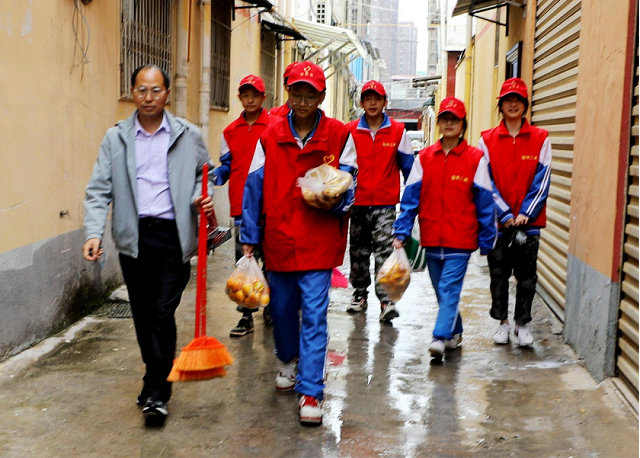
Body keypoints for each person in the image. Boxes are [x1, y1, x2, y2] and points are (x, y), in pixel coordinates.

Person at [82, 65, 213, 424]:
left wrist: (201, 198)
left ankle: (157, 393)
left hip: (174, 237)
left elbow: (207, 176)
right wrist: (94, 233)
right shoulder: (116, 138)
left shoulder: (190, 135)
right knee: (143, 316)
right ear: (132, 92)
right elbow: (98, 189)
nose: (149, 97)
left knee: (160, 313)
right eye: (142, 90)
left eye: (156, 90)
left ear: (167, 94)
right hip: (134, 237)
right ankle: (153, 376)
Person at [240, 61, 357, 425]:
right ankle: (288, 360)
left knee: (316, 316)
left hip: (319, 241)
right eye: (297, 93)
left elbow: (351, 182)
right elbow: (254, 186)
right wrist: (248, 237)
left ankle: (311, 391)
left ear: (322, 97)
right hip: (278, 238)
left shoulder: (338, 135)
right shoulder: (269, 135)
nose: (303, 101)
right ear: (287, 94)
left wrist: (334, 200)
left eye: (311, 95)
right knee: (283, 310)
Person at [392, 97, 496, 357]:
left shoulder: (475, 159)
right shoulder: (425, 158)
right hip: (431, 237)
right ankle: (456, 330)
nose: (449, 123)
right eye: (445, 118)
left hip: (461, 239)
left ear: (463, 124)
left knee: (449, 288)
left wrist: (487, 239)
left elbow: (485, 202)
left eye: (455, 119)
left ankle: (439, 337)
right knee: (442, 291)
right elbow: (410, 199)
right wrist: (401, 231)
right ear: (438, 123)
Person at [478, 77, 551, 347]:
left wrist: (526, 214)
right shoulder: (487, 139)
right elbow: (485, 181)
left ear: (525, 106)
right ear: (501, 105)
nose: (512, 104)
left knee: (527, 277)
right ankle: (503, 324)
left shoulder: (541, 138)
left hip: (528, 224)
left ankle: (522, 325)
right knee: (498, 275)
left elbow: (542, 179)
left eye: (518, 100)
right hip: (499, 224)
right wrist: (505, 213)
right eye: (507, 100)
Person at [346, 80, 414, 321]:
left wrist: (410, 206)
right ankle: (359, 294)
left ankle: (386, 301)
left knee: (384, 251)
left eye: (377, 98)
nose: (372, 103)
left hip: (385, 205)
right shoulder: (351, 131)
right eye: (368, 98)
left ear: (385, 102)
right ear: (362, 102)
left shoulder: (397, 131)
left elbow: (410, 171)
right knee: (358, 251)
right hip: (358, 203)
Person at [214, 75, 273, 337]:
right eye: (245, 95)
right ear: (240, 98)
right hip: (241, 207)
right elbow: (227, 167)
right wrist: (212, 175)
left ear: (263, 98)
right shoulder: (230, 132)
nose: (250, 99)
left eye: (255, 95)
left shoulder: (276, 126)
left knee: (271, 261)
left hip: (270, 206)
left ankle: (272, 307)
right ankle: (246, 315)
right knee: (245, 262)